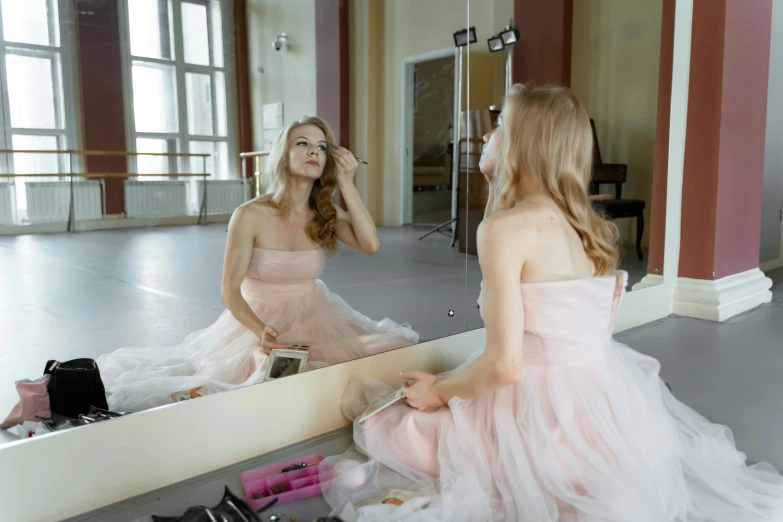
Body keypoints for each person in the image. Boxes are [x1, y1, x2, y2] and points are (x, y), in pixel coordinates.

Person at [322, 86, 783, 521]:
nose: (486, 133)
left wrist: (440, 392)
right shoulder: (588, 227)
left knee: (389, 425)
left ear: (525, 143)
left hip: (536, 412)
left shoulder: (506, 229)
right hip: (601, 409)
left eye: (500, 123)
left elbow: (505, 367)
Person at [98, 117, 418, 413]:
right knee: (264, 382)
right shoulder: (250, 214)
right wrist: (260, 331)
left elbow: (370, 244)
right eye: (302, 143)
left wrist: (347, 184)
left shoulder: (325, 213)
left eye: (321, 147)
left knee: (395, 346)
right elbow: (229, 290)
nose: (314, 152)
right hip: (259, 323)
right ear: (282, 155)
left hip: (315, 316)